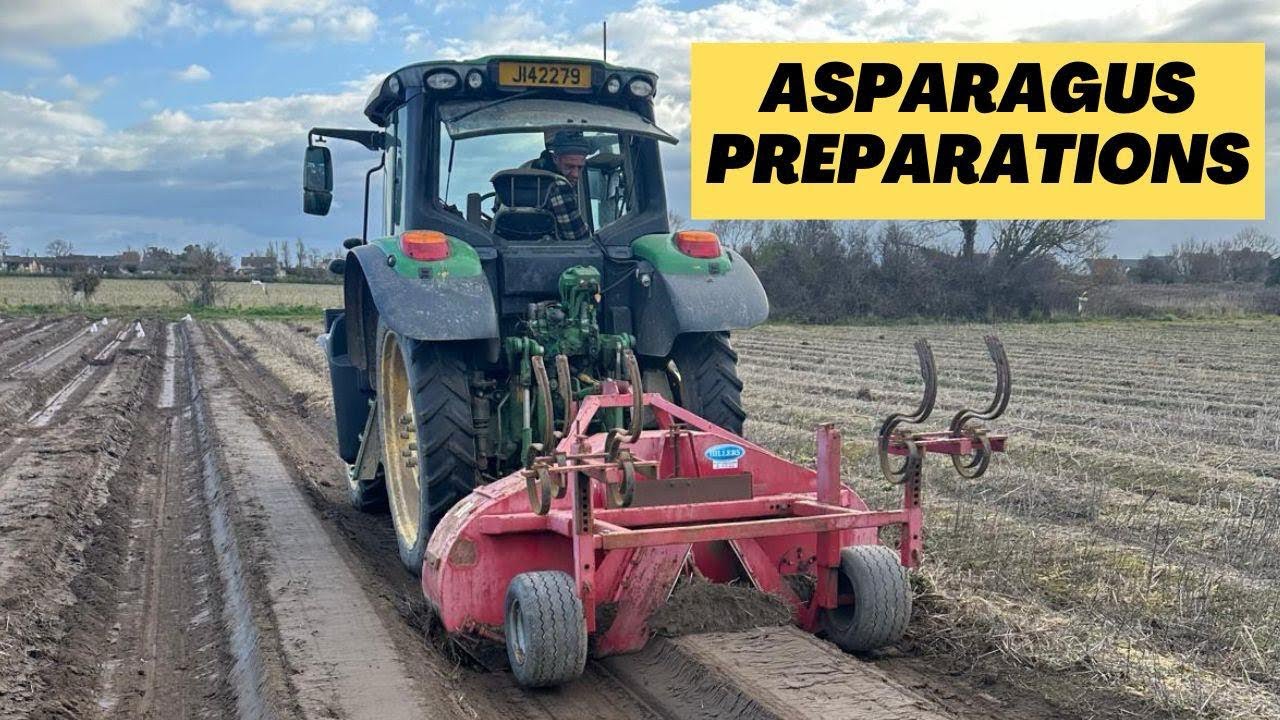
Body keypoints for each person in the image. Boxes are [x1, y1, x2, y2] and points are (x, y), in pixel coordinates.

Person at [525, 131, 591, 241]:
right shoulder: (558, 185)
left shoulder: (523, 170)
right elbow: (577, 237)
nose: (576, 174)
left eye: (580, 168)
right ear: (555, 158)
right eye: (569, 166)